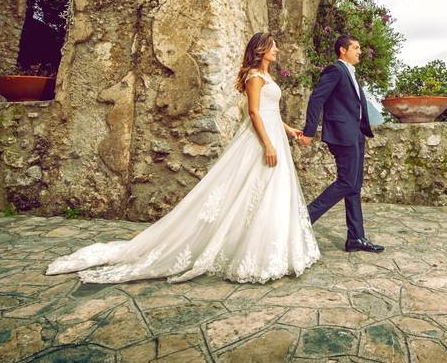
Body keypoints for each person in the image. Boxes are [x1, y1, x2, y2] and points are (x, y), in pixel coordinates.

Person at [45, 32, 320, 284]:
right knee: (249, 189)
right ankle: (246, 251)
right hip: (261, 140)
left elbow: (271, 112)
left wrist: (288, 130)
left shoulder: (267, 76)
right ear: (261, 50)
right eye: (273, 47)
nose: (277, 50)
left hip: (275, 135)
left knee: (270, 192)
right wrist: (268, 144)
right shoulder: (254, 77)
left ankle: (272, 248)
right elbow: (255, 113)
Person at [298, 34, 384, 253]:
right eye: (355, 47)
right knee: (346, 182)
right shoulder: (335, 70)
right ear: (342, 50)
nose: (360, 51)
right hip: (342, 135)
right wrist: (309, 131)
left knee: (354, 185)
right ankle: (304, 217)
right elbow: (317, 98)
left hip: (356, 134)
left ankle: (356, 237)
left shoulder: (351, 73)